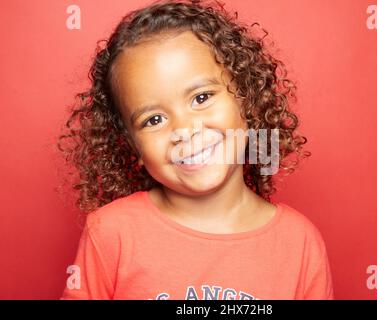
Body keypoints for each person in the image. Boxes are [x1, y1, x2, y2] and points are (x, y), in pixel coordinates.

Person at [58, 0, 333, 300]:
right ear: (133, 144)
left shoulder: (299, 243)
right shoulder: (111, 232)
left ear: (246, 98)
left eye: (201, 98)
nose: (185, 130)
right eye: (154, 119)